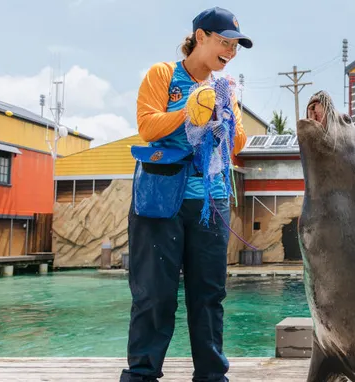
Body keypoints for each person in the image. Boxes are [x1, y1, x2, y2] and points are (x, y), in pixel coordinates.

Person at [120, 6, 250, 382]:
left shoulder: (226, 88)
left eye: (236, 46)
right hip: (160, 199)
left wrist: (221, 114)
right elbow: (147, 126)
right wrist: (189, 110)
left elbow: (237, 142)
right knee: (153, 293)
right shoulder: (163, 74)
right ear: (200, 36)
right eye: (225, 43)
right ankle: (142, 374)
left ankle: (211, 375)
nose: (231, 51)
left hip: (211, 200)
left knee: (209, 295)